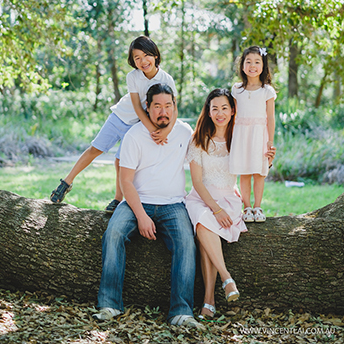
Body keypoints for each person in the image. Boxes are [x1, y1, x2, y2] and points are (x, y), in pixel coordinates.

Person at [92, 83, 204, 330]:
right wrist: (141, 216)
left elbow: (214, 143)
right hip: (136, 202)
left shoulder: (185, 132)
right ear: (147, 107)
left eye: (168, 106)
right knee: (113, 233)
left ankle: (181, 311)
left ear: (175, 107)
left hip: (173, 204)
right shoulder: (134, 135)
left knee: (186, 241)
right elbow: (126, 181)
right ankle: (109, 304)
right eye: (157, 106)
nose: (163, 112)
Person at [50, 36, 178, 213]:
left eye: (146, 55)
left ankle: (118, 200)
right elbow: (136, 106)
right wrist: (152, 129)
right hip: (119, 117)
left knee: (121, 161)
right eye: (137, 58)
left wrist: (166, 131)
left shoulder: (166, 80)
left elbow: (174, 107)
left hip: (136, 125)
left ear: (155, 55)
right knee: (95, 149)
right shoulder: (133, 76)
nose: (142, 61)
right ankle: (67, 182)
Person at [185, 89, 276, 318]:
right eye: (214, 108)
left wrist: (268, 158)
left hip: (229, 198)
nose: (220, 113)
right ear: (208, 111)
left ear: (233, 110)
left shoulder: (239, 138)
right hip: (201, 198)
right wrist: (215, 209)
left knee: (204, 231)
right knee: (203, 219)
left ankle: (209, 300)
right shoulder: (198, 139)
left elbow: (255, 166)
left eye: (224, 108)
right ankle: (226, 278)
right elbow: (196, 182)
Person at [229, 45, 277, 223]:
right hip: (241, 135)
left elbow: (270, 118)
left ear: (263, 66)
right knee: (245, 172)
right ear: (242, 65)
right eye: (248, 61)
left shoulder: (267, 91)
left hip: (260, 135)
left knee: (259, 173)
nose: (252, 65)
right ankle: (246, 207)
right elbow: (232, 116)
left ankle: (258, 206)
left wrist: (270, 142)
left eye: (257, 62)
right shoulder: (237, 89)